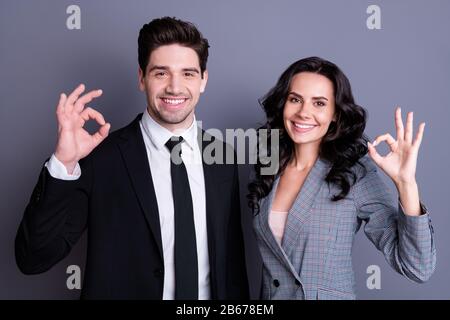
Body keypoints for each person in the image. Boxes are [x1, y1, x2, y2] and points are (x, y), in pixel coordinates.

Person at [15, 17, 248, 300]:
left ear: (203, 80)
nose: (175, 87)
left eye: (188, 73)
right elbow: (33, 258)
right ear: (141, 78)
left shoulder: (223, 157)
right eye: (161, 73)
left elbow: (231, 268)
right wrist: (64, 163)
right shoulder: (101, 158)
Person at [248, 56, 436, 300]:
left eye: (319, 103)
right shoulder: (266, 167)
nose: (304, 113)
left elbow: (418, 267)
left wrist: (406, 184)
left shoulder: (353, 172)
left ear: (336, 114)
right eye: (295, 99)